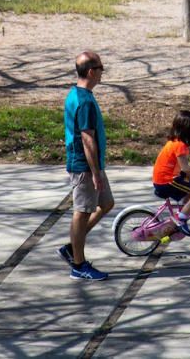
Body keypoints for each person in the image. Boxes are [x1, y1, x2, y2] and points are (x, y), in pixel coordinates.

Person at [57, 51, 114, 281]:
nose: (102, 72)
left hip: (92, 165)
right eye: (101, 68)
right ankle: (78, 266)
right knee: (81, 213)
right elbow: (87, 139)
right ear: (91, 72)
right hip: (84, 166)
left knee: (106, 203)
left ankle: (72, 246)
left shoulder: (76, 93)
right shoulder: (85, 102)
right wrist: (95, 172)